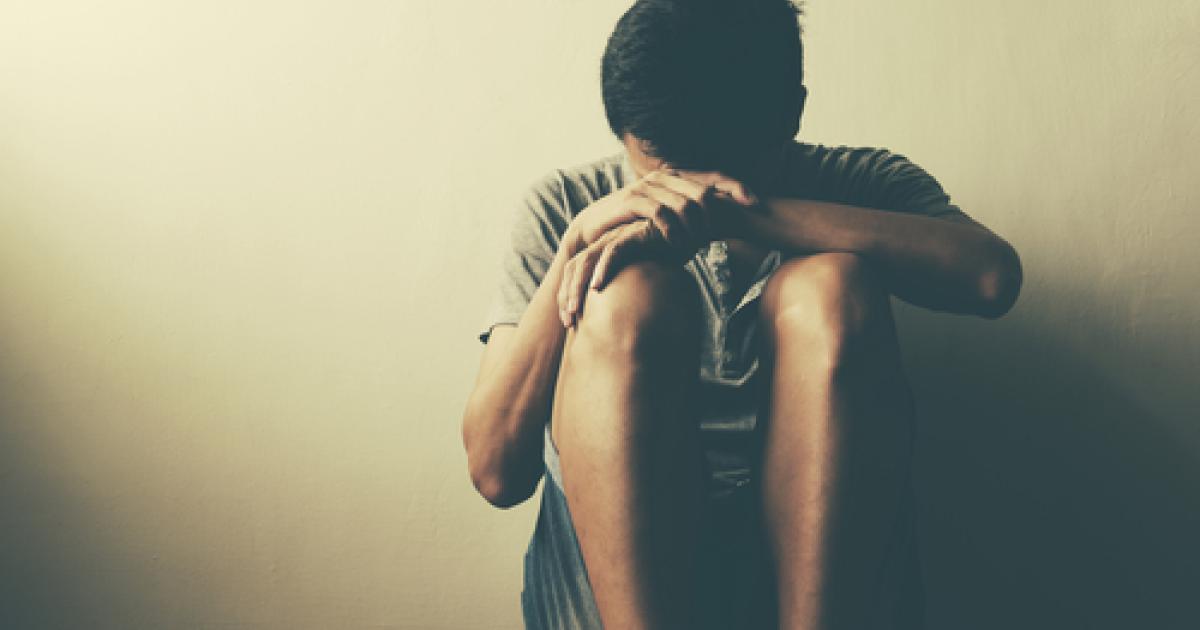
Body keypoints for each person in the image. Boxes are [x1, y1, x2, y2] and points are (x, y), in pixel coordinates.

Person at [461, 0, 1023, 628]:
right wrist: (574, 246)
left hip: (819, 579)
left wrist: (743, 214)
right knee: (624, 298)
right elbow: (496, 471)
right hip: (608, 587)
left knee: (830, 287)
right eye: (667, 168)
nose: (689, 192)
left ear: (792, 115)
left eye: (722, 168)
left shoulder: (857, 182)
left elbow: (991, 277)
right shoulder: (568, 203)